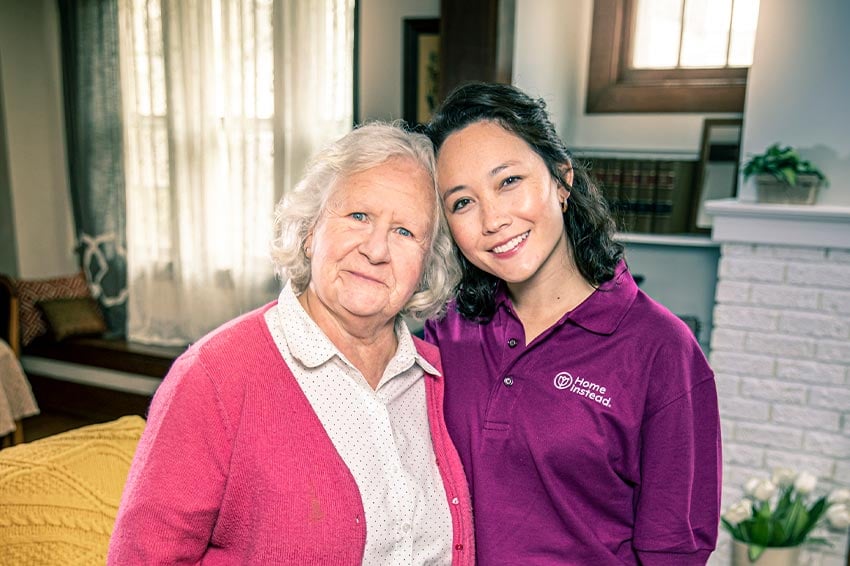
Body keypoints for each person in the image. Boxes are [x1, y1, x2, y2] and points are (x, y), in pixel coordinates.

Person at [108, 122, 474, 565]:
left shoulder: (436, 375)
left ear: (427, 261)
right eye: (358, 216)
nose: (376, 249)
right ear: (309, 231)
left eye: (404, 232)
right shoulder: (214, 376)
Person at [424, 82, 721, 565]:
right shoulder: (446, 332)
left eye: (508, 181)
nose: (493, 218)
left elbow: (675, 550)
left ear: (562, 182)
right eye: (462, 202)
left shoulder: (662, 349)